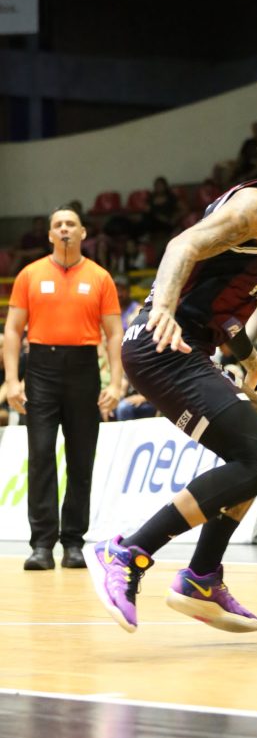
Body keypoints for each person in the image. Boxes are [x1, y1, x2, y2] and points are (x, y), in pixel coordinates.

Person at [83, 111, 257, 634]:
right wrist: (163, 309)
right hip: (164, 347)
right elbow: (182, 246)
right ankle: (127, 553)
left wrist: (248, 356)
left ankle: (201, 576)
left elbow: (216, 300)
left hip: (186, 343)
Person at [4, 204, 124, 570]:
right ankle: (42, 545)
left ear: (83, 233)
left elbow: (114, 333)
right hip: (41, 368)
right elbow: (13, 330)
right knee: (41, 455)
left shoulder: (100, 277)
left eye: (71, 223)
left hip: (84, 369)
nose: (65, 229)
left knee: (81, 458)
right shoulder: (30, 274)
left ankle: (73, 542)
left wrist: (116, 382)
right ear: (50, 235)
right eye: (58, 224)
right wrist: (12, 380)